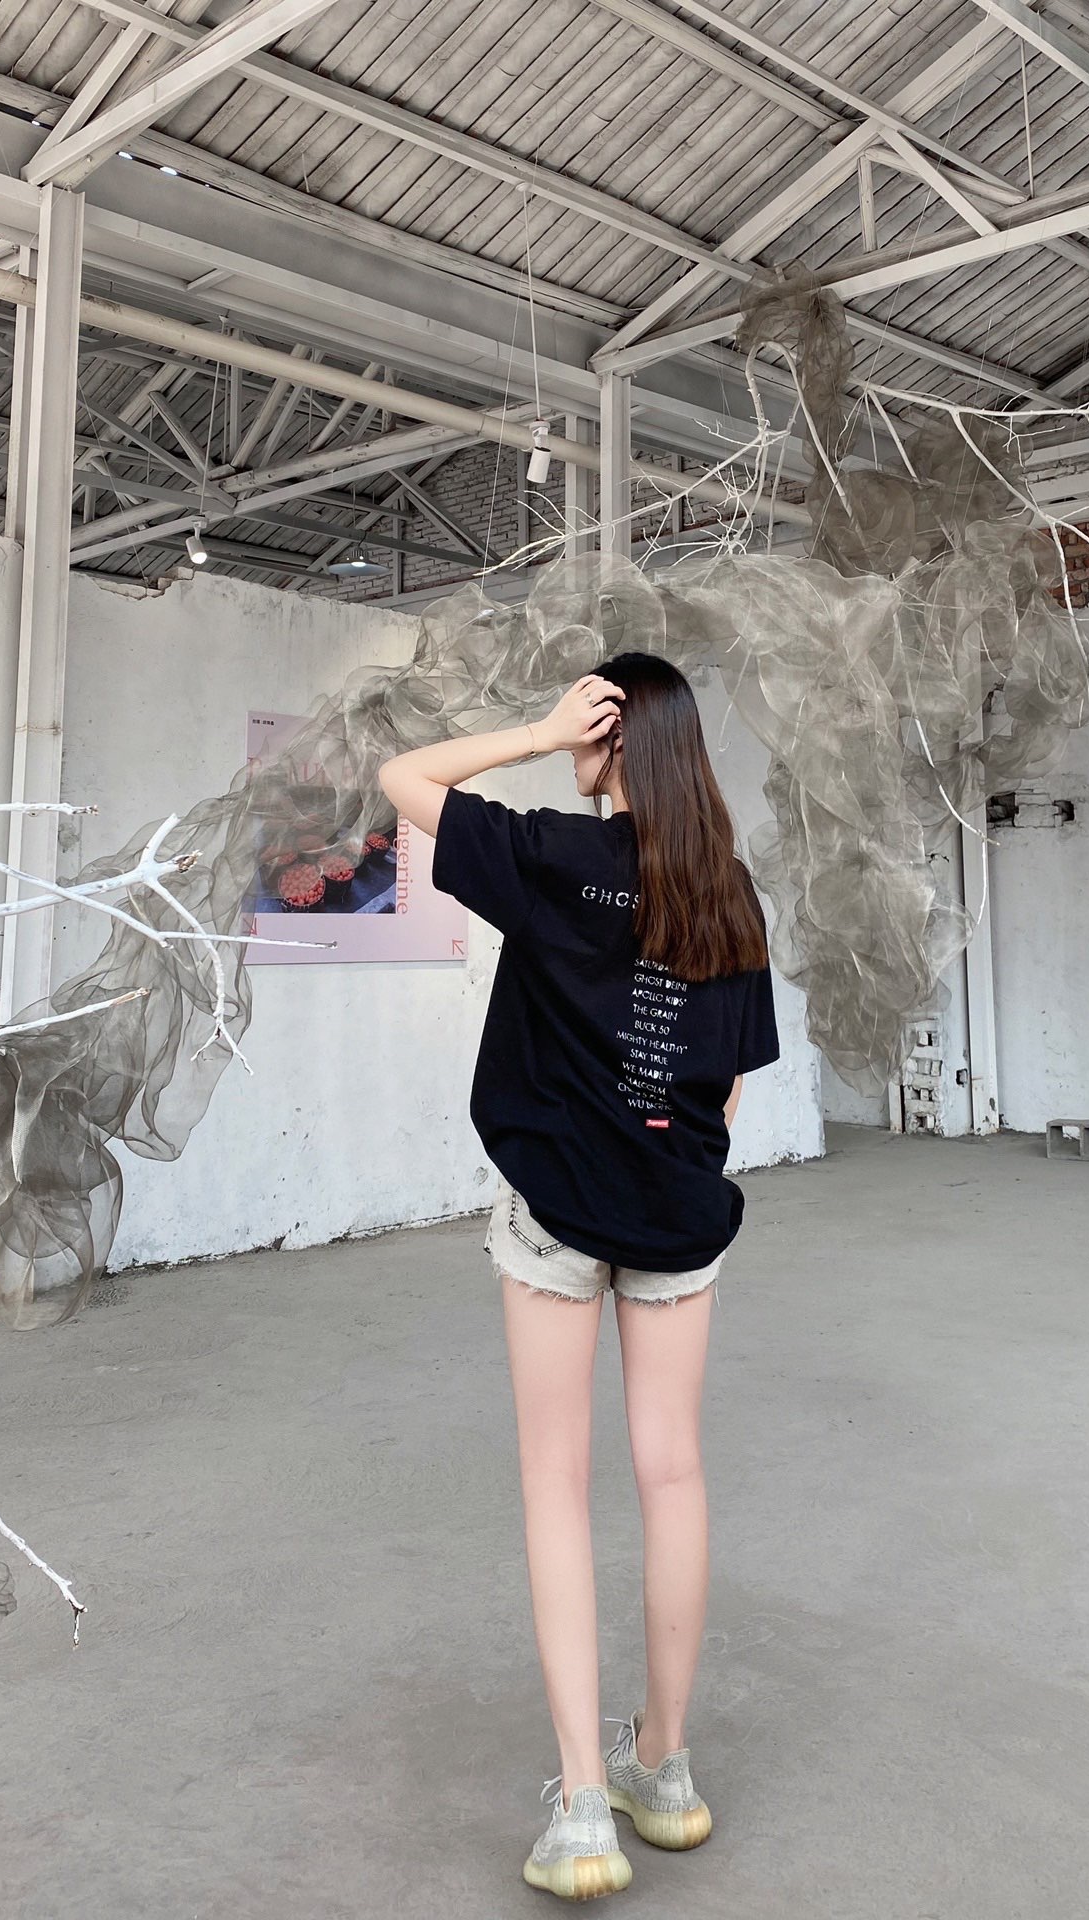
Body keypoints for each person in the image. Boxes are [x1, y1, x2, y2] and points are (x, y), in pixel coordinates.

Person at [378, 652, 780, 1902]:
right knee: (674, 1472)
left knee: (556, 1483)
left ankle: (582, 1809)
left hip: (555, 1210)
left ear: (610, 735)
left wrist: (531, 729)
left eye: (585, 722)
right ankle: (665, 1767)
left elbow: (403, 777)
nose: (572, 744)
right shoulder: (725, 887)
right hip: (678, 1214)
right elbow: (726, 1078)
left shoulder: (557, 855)